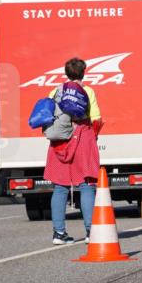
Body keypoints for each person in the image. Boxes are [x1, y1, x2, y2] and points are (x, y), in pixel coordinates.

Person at [44, 58, 102, 244]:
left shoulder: (55, 91)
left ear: (66, 72)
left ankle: (58, 233)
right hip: (82, 137)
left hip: (59, 141)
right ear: (83, 72)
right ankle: (90, 231)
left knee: (60, 186)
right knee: (86, 184)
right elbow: (96, 119)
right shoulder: (88, 91)